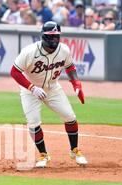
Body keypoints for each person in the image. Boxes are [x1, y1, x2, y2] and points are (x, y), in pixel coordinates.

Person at [9, 21, 88, 169]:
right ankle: (43, 155)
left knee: (70, 117)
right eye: (51, 37)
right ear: (44, 36)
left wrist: (76, 84)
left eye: (57, 36)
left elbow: (70, 67)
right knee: (33, 123)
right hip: (30, 91)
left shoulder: (64, 50)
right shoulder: (30, 52)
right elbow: (14, 72)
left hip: (53, 88)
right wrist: (31, 87)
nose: (54, 40)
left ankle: (75, 150)